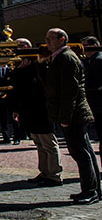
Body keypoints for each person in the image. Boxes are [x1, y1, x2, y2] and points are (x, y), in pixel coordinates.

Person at [38, 28, 100, 205]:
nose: (47, 42)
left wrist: (65, 118)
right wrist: (41, 64)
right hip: (71, 113)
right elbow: (49, 84)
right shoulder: (58, 57)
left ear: (62, 39)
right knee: (82, 151)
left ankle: (91, 190)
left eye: (50, 39)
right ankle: (91, 188)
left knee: (81, 152)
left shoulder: (67, 58)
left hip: (75, 114)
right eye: (46, 38)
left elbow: (69, 92)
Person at [10, 38, 62, 187]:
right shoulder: (19, 64)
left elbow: (39, 84)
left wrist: (23, 71)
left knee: (49, 143)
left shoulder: (40, 63)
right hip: (28, 109)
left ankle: (54, 174)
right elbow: (16, 87)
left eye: (20, 46)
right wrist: (16, 108)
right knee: (39, 143)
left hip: (41, 108)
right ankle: (45, 171)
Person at [81, 36, 102, 155]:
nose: (83, 49)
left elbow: (96, 84)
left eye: (85, 46)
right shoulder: (89, 60)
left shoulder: (98, 60)